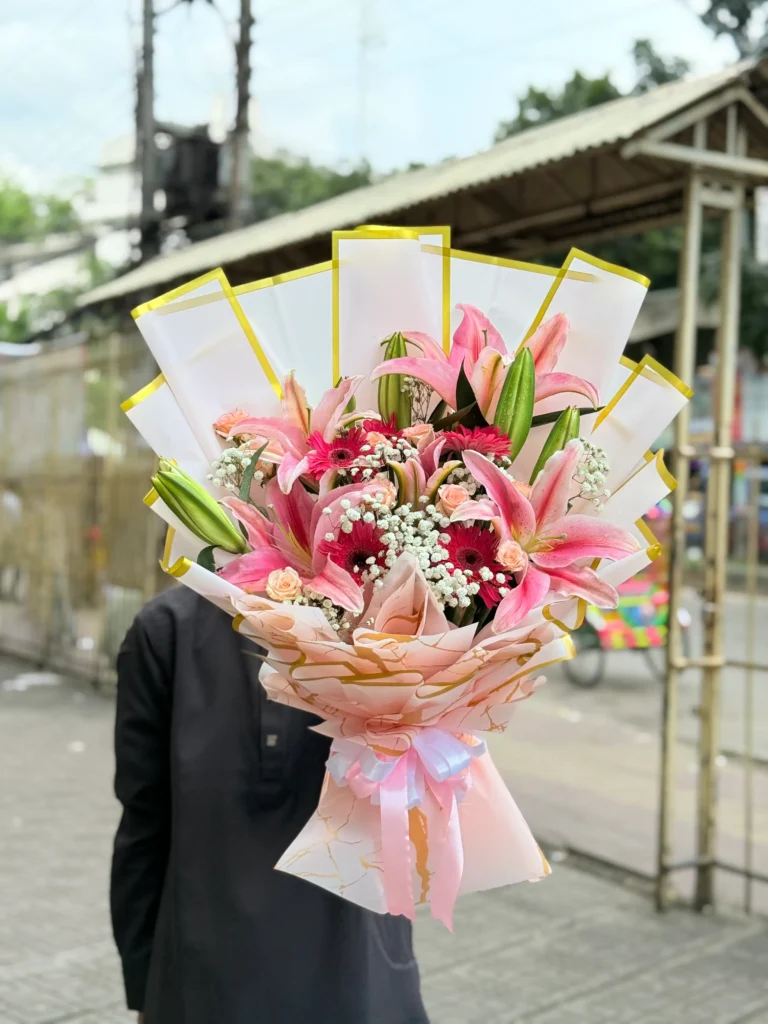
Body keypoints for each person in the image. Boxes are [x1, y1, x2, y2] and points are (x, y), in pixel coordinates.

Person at [111, 585, 429, 1024]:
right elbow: (145, 823)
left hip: (347, 970)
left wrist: (145, 983)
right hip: (215, 976)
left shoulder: (395, 620)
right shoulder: (167, 630)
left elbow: (142, 831)